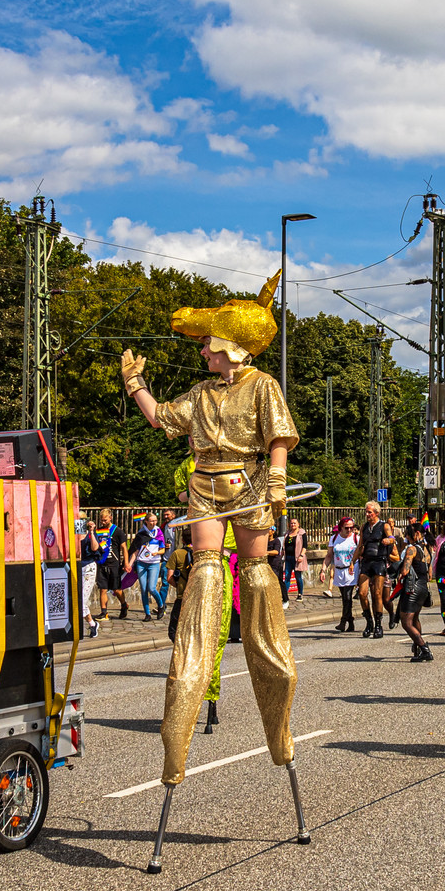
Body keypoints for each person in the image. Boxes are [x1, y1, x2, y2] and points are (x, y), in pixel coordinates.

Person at [119, 271, 303, 809]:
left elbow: (278, 438)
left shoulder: (263, 384)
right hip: (204, 485)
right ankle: (181, 722)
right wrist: (135, 385)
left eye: (208, 345)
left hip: (248, 484)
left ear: (231, 348)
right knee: (203, 573)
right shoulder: (200, 393)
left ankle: (277, 718)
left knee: (258, 576)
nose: (202, 352)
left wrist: (275, 482)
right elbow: (160, 419)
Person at [394, 522, 434, 662]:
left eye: (407, 534)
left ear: (416, 534)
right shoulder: (427, 549)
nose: (405, 536)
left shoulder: (412, 549)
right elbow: (429, 572)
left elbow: (405, 570)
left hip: (413, 587)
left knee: (406, 622)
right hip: (423, 587)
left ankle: (424, 649)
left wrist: (399, 572)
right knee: (415, 618)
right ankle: (417, 647)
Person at [358, 501, 396, 640]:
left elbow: (392, 538)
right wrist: (352, 562)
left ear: (376, 513)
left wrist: (389, 541)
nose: (367, 514)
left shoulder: (384, 526)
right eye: (366, 512)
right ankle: (369, 622)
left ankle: (378, 625)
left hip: (379, 561)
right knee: (362, 593)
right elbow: (360, 546)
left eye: (369, 512)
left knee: (377, 593)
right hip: (367, 562)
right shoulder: (364, 527)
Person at [131, 512, 168, 622]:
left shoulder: (158, 532)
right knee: (143, 589)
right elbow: (135, 550)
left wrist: (156, 553)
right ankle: (147, 614)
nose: (153, 523)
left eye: (155, 520)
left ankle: (161, 605)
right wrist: (129, 563)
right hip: (141, 563)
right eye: (151, 521)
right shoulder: (141, 533)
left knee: (152, 588)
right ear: (146, 521)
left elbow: (163, 549)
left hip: (154, 563)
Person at [329, 518, 359, 633]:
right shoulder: (334, 538)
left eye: (351, 527)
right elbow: (329, 555)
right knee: (345, 598)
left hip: (351, 569)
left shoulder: (356, 538)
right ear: (341, 527)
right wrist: (323, 569)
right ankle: (350, 622)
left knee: (347, 596)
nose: (350, 530)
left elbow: (361, 553)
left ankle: (343, 621)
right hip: (339, 570)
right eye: (347, 528)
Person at [76, 515, 101, 638]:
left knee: (81, 600)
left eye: (82, 519)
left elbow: (95, 548)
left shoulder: (90, 533)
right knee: (78, 599)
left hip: (89, 568)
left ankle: (87, 625)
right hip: (77, 567)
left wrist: (91, 531)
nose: (80, 522)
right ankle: (92, 624)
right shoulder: (75, 533)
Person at [282, 517, 309, 604]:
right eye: (291, 523)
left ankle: (300, 594)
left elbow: (305, 545)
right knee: (287, 576)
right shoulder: (287, 533)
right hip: (288, 558)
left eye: (294, 523)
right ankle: (285, 595)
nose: (293, 525)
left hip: (297, 558)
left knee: (298, 576)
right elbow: (284, 546)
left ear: (298, 524)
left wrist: (301, 555)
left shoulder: (301, 533)